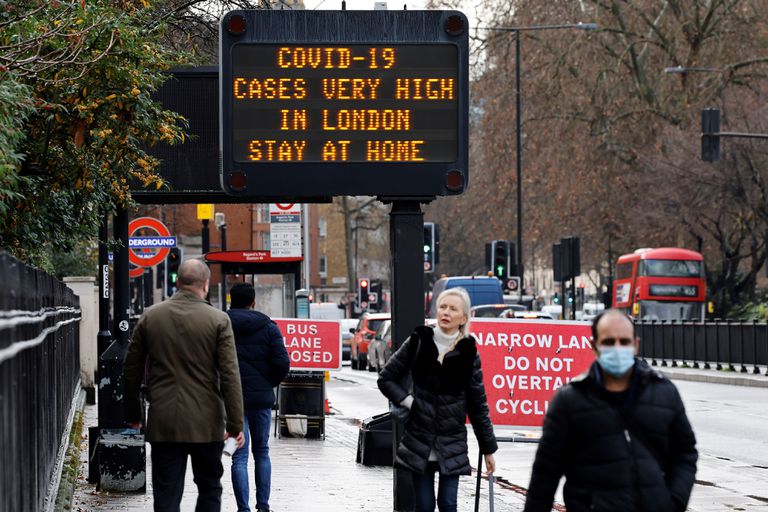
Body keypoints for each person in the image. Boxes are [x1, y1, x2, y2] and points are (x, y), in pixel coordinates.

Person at [523, 309, 698, 512]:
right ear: (594, 346)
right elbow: (545, 474)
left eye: (624, 342)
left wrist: (674, 502)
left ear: (635, 345)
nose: (617, 349)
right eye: (608, 342)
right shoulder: (570, 400)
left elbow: (685, 453)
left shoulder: (663, 392)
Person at [123, 259, 245, 512]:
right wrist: (235, 425)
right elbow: (230, 375)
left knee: (166, 493)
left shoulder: (151, 316)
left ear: (177, 282)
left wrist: (133, 414)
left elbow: (131, 370)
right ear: (206, 284)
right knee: (209, 488)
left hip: (164, 420)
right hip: (207, 423)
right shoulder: (218, 320)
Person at [378, 287, 497, 512]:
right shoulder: (419, 341)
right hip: (419, 440)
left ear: (463, 318)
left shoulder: (468, 351)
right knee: (424, 506)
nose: (446, 312)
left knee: (448, 504)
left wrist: (488, 449)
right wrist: (409, 402)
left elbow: (477, 404)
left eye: (453, 309)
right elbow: (386, 379)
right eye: (442, 307)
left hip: (452, 442)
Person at [227, 282, 290, 512]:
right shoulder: (268, 326)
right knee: (262, 452)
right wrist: (268, 383)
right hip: (261, 400)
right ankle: (263, 506)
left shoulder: (221, 324)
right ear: (253, 302)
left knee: (238, 456)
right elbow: (282, 363)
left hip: (232, 401)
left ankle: (243, 509)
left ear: (231, 300)